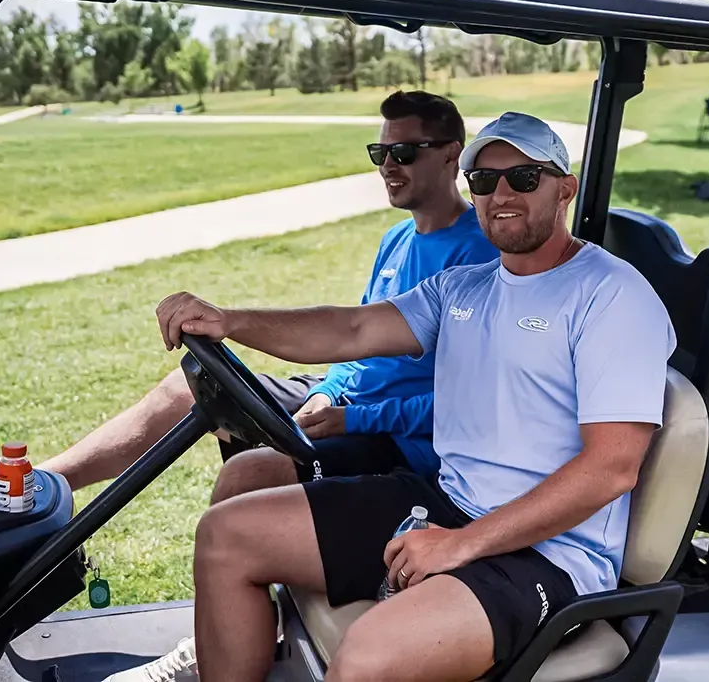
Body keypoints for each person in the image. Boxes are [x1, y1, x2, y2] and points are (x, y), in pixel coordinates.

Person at [151, 112, 674, 682]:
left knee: (370, 655)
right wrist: (230, 320)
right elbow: (350, 330)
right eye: (484, 181)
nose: (501, 194)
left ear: (563, 188)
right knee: (227, 535)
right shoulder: (465, 286)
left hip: (550, 556)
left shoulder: (612, 296)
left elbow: (610, 469)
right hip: (449, 504)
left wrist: (461, 545)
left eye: (524, 178)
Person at [96, 91, 496, 682]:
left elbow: (467, 402)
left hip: (405, 444)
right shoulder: (398, 240)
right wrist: (329, 392)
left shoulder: (478, 259)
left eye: (404, 151)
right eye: (379, 151)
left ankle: (217, 648)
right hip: (354, 407)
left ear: (450, 157)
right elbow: (355, 335)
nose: (389, 165)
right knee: (200, 397)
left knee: (248, 472)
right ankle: (39, 486)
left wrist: (354, 419)